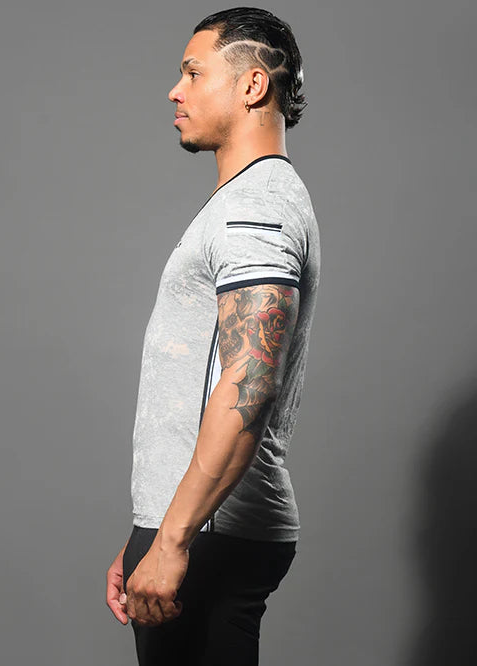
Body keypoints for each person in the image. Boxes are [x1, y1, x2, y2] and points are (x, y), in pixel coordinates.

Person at [106, 7, 321, 665]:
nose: (176, 90)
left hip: (209, 530)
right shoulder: (251, 199)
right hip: (198, 522)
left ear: (253, 85)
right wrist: (150, 530)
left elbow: (249, 382)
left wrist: (171, 540)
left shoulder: (256, 209)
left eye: (193, 73)